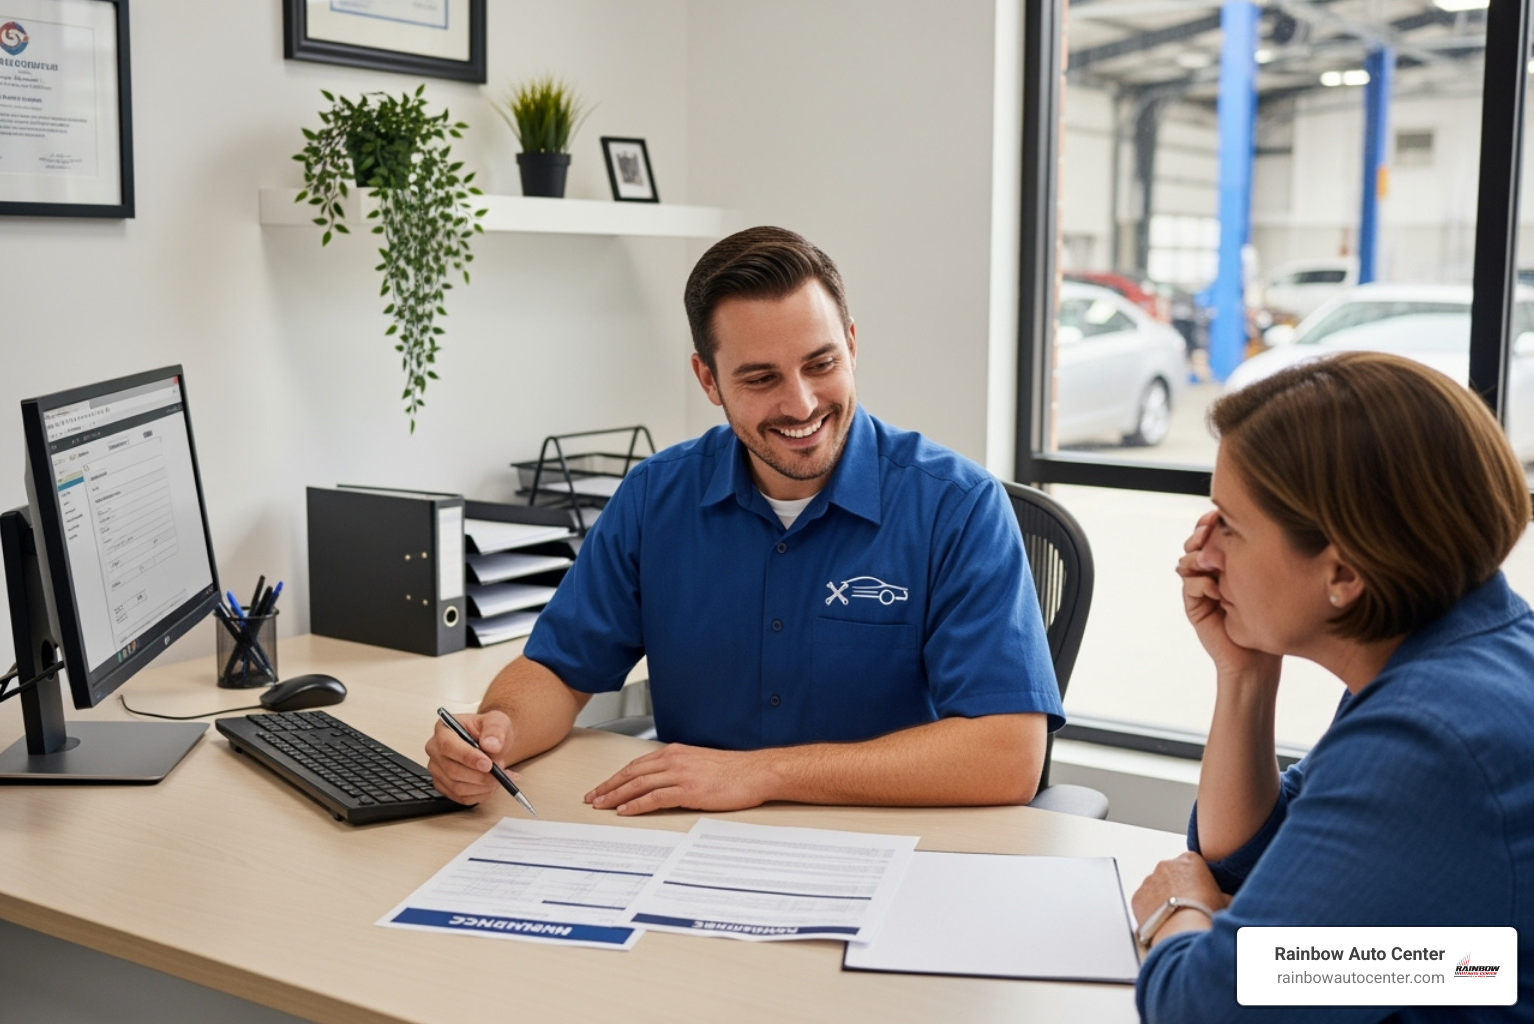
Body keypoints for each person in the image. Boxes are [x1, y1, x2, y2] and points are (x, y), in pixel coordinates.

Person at [426, 226, 1063, 815]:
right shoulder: (655, 497)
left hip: (891, 849)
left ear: (852, 344)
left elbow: (1009, 755)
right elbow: (558, 672)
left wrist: (762, 774)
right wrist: (496, 731)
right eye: (761, 378)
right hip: (693, 847)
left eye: (821, 364)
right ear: (708, 380)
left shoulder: (958, 506)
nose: (802, 403)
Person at [1133, 351, 1534, 1021]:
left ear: (1343, 575)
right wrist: (1244, 676)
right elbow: (1253, 865)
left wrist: (1176, 913)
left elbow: (1205, 1009)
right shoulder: (1458, 648)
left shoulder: (1429, 734)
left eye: (1229, 526)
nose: (1202, 556)